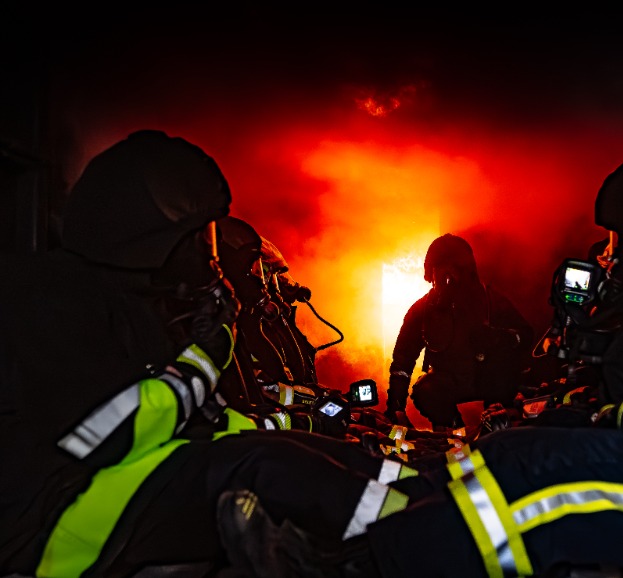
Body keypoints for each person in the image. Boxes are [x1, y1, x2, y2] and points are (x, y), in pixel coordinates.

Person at [260, 78, 623, 578]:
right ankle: (370, 540)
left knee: (534, 496)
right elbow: (404, 356)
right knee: (512, 455)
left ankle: (361, 569)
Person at [0, 130, 423, 578]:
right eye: (200, 238)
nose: (210, 255)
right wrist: (206, 357)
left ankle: (433, 494)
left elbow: (209, 421)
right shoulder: (52, 303)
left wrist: (308, 429)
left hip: (94, 487)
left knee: (296, 455)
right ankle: (423, 545)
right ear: (151, 235)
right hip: (48, 525)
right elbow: (111, 432)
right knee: (268, 469)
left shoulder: (131, 301)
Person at [385, 233, 536, 430]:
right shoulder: (423, 311)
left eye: (456, 270)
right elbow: (402, 361)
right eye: (442, 270)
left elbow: (526, 335)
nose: (449, 278)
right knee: (426, 390)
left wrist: (502, 338)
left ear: (469, 272)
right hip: (451, 382)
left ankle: (495, 431)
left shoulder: (491, 301)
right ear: (431, 274)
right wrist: (396, 407)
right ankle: (453, 432)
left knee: (503, 386)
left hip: (493, 380)